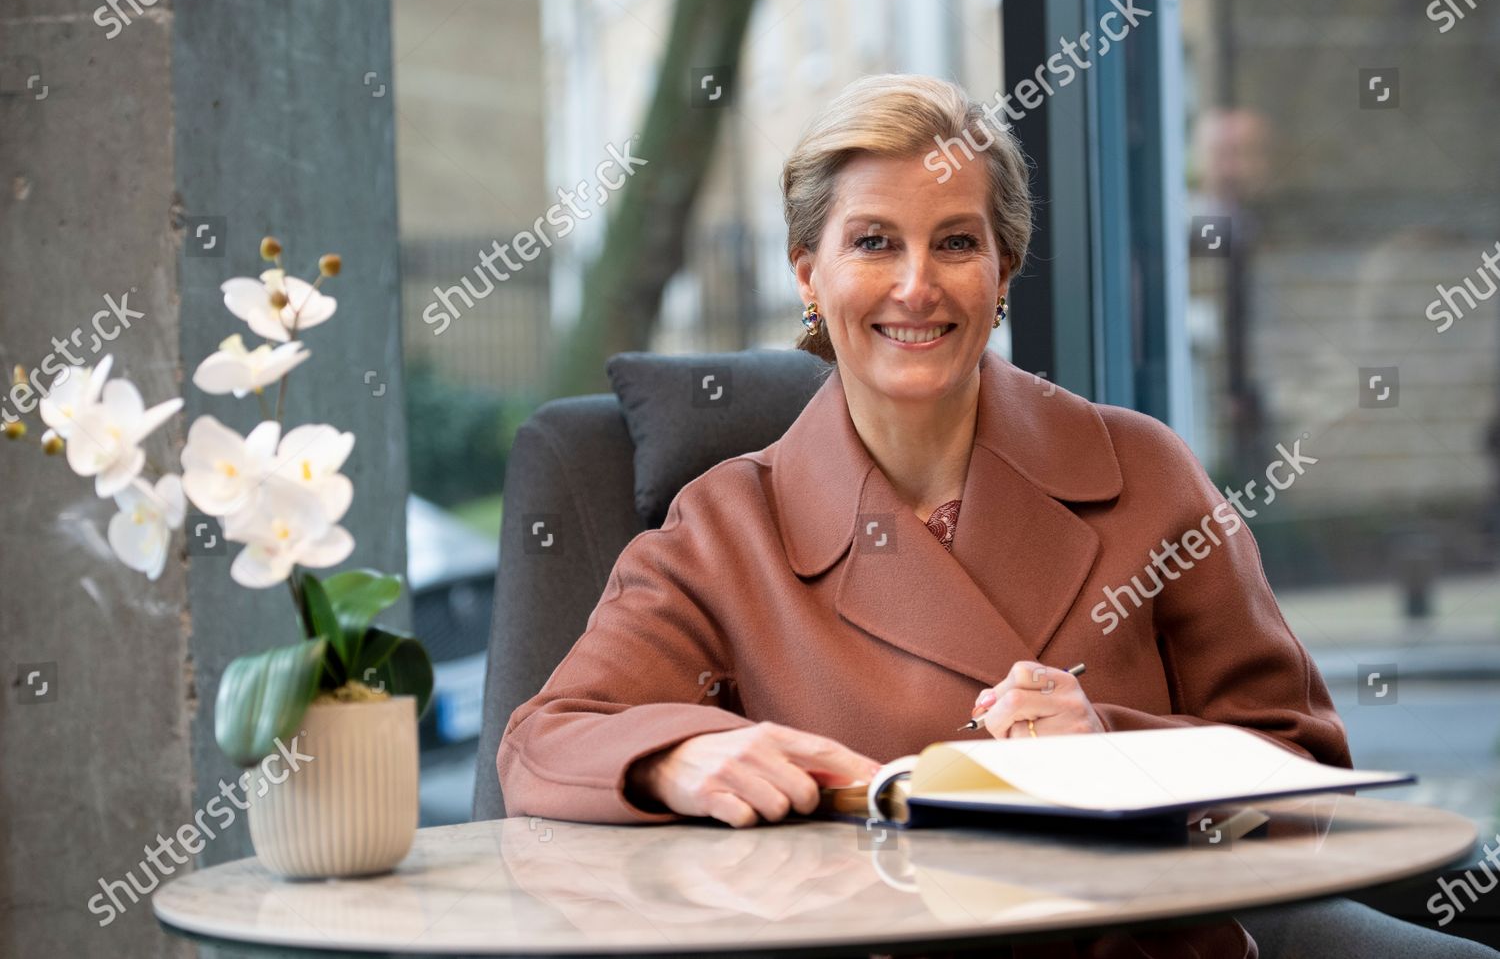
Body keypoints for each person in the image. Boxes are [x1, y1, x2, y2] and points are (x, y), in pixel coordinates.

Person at [498, 74, 1496, 959]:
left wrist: (1110, 746)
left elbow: (1302, 769)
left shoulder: (1143, 471)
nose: (916, 285)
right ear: (809, 272)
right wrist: (677, 755)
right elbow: (545, 738)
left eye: (958, 243)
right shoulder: (725, 522)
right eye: (874, 241)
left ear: (1005, 272)